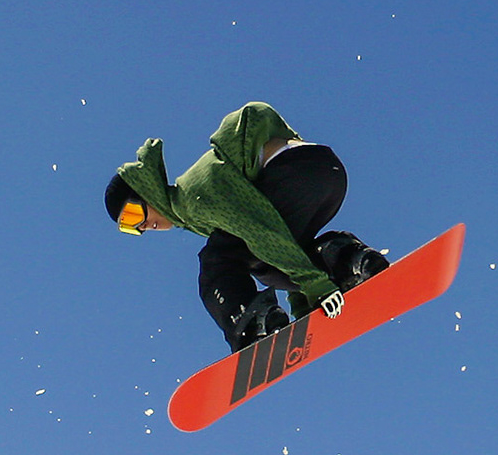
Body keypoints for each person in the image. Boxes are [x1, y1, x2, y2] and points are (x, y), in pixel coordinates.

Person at [106, 101, 387, 351]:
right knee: (257, 259)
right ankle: (348, 261)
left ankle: (251, 322)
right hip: (327, 173)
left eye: (133, 214)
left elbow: (258, 227)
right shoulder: (192, 207)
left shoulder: (193, 196)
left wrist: (313, 285)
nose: (142, 227)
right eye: (130, 227)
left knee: (219, 257)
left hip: (296, 173)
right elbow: (276, 237)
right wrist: (304, 300)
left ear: (147, 189)